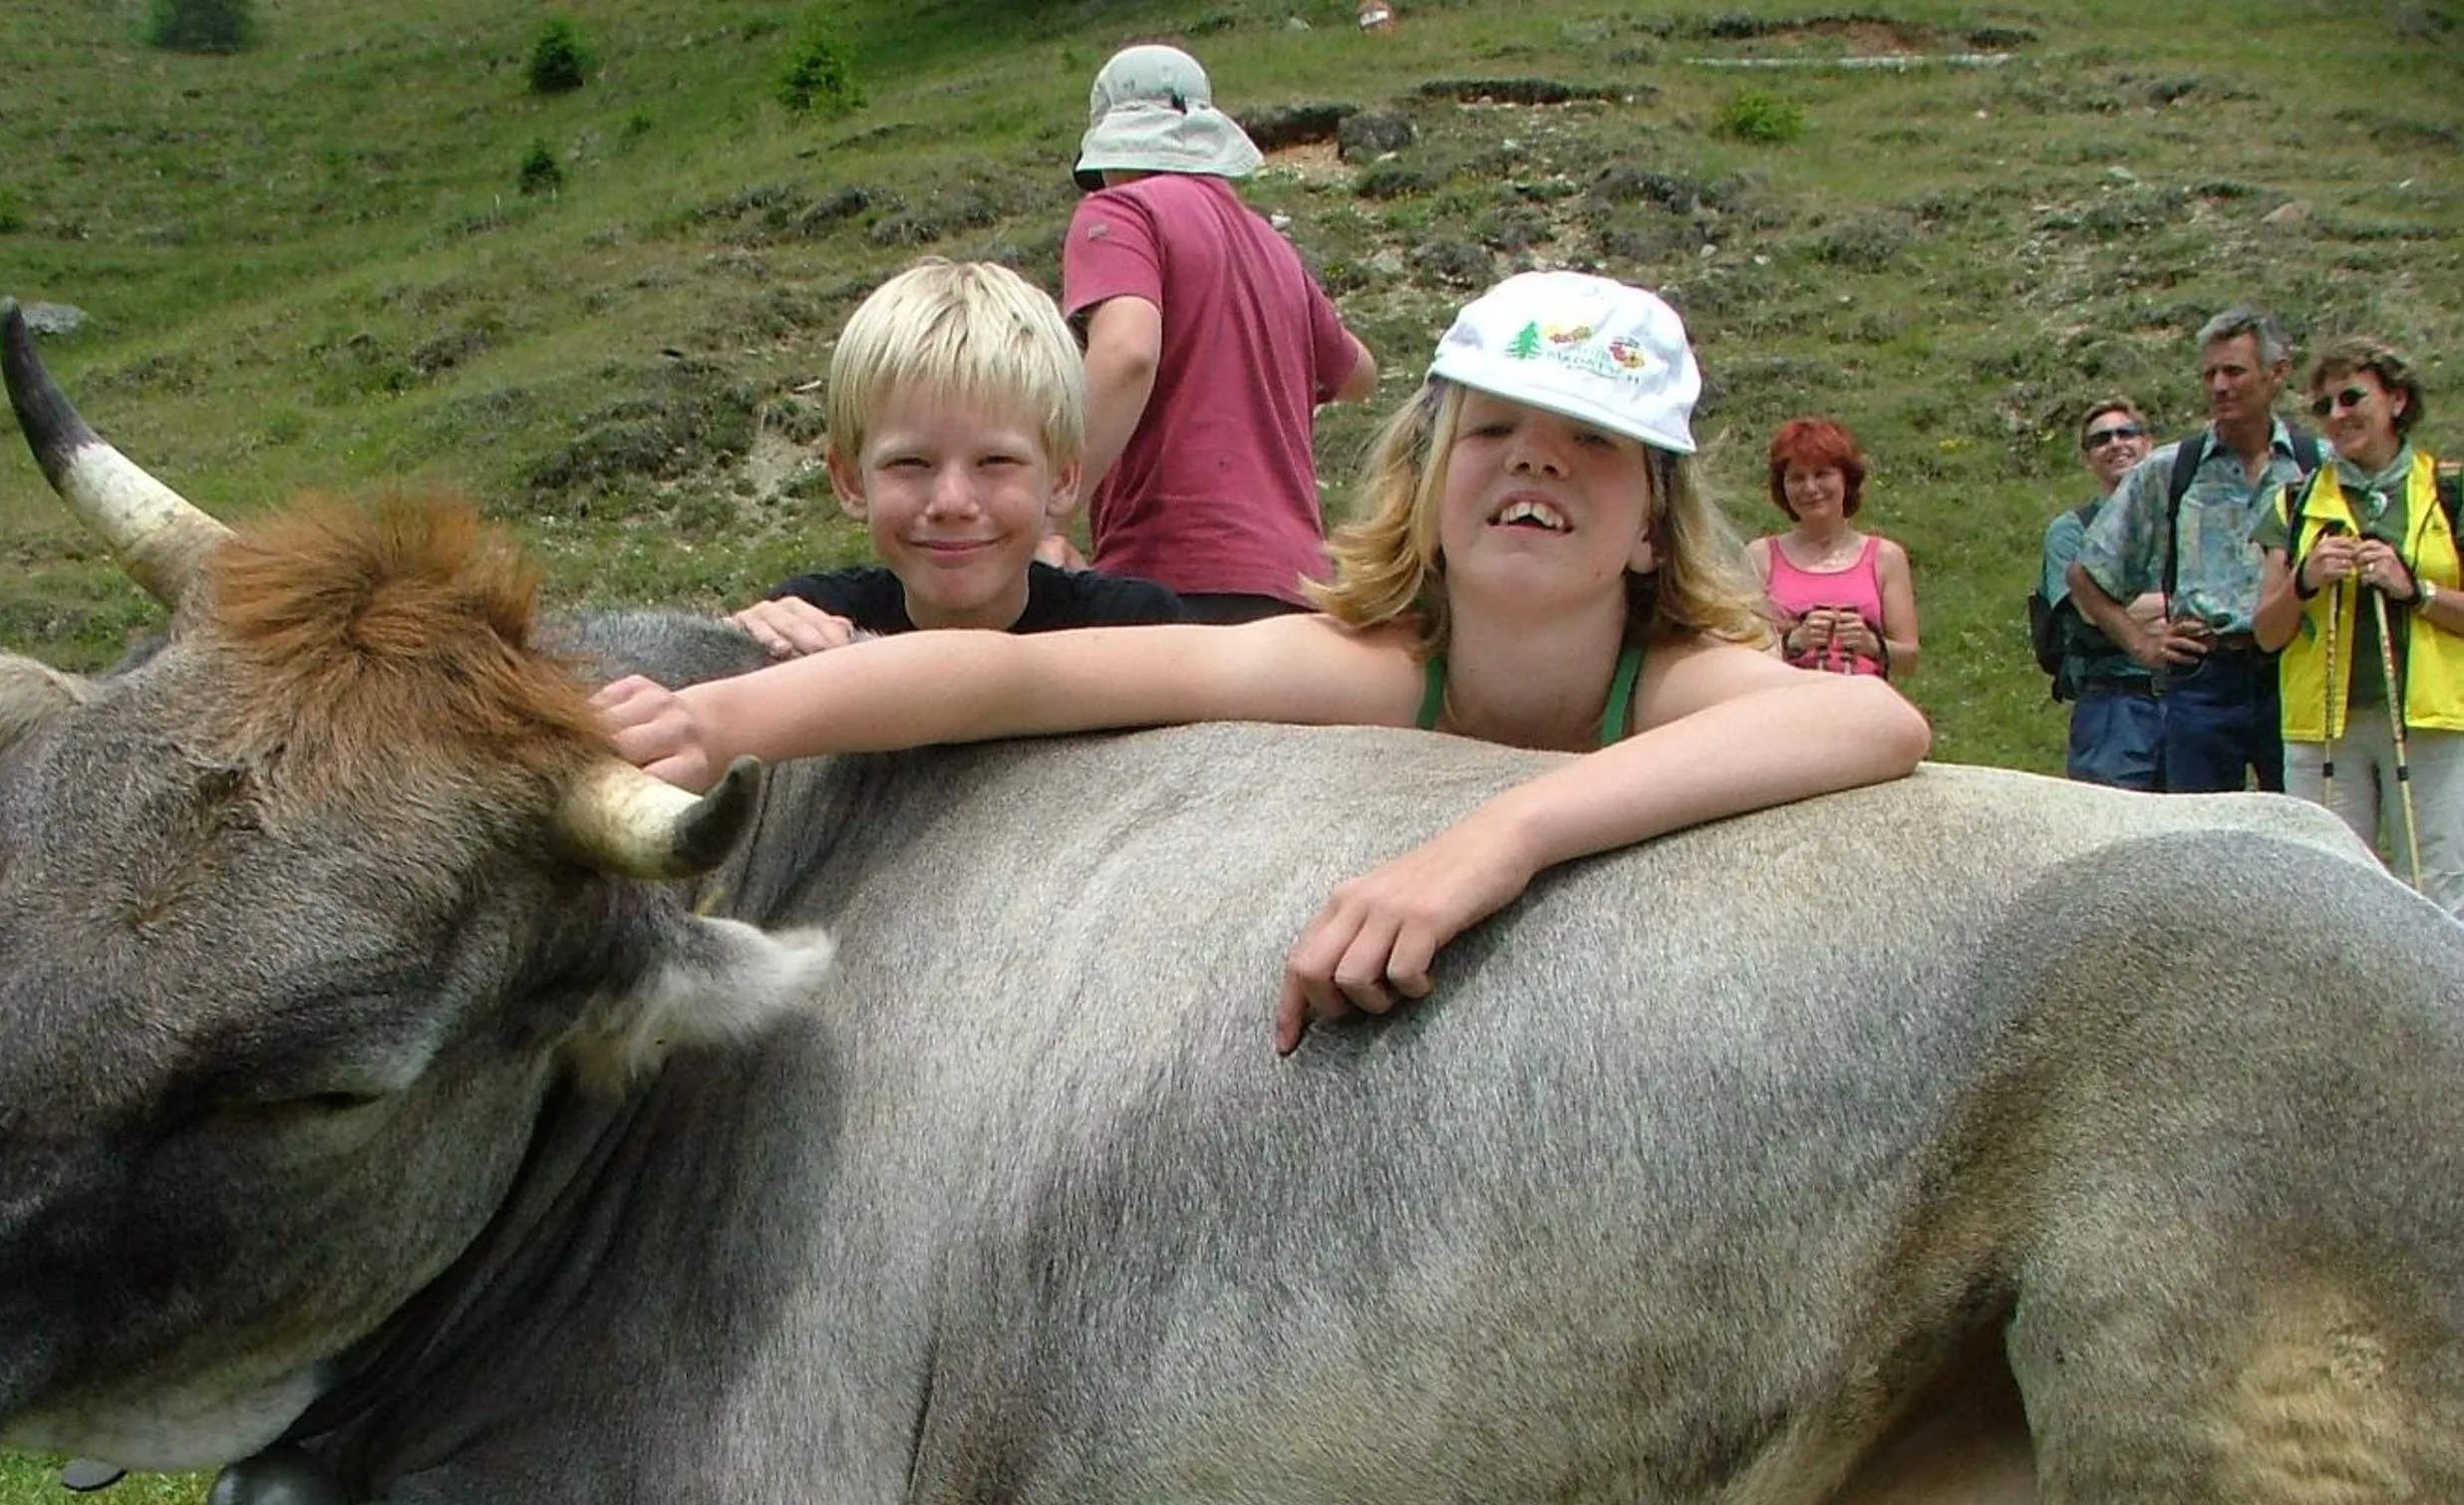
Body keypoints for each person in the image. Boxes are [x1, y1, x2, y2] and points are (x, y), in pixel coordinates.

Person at [591, 272, 1932, 1051]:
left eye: (1589, 444)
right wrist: (724, 717)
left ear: (1652, 523)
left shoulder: (1674, 675)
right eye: (1495, 431)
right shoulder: (1372, 669)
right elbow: (1016, 676)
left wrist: (1499, 836)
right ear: (1427, 483)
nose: (1535, 459)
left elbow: (1869, 724)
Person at [1056, 43, 1382, 621]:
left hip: (1169, 568)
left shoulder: (1125, 213)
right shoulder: (1272, 246)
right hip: (1295, 588)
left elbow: (1128, 352)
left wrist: (1049, 508)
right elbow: (1358, 374)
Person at [724, 259, 1188, 660]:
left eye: (995, 461)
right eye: (911, 463)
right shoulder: (813, 624)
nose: (952, 502)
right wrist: (739, 640)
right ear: (849, 480)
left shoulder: (1137, 627)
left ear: (1064, 477)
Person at [2069, 305, 2322, 793]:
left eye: (2234, 371)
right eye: (2209, 374)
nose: (2220, 386)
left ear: (2276, 374)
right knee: (2200, 837)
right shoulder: (2170, 470)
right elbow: (2087, 575)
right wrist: (2143, 645)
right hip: (2203, 676)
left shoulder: (2316, 466)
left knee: (2306, 827)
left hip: (2298, 672)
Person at [2251, 338, 2464, 912]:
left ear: (2396, 400)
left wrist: (2415, 589)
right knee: (2328, 894)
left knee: (2443, 888)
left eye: (2351, 398)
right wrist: (2303, 581)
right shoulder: (2294, 503)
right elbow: (2267, 632)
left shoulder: (2449, 492)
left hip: (2434, 724)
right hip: (2323, 729)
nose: (2337, 416)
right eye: (2325, 407)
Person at [2036, 398, 2163, 787]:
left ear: (2149, 444)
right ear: (2087, 457)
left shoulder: (2180, 521)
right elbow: (2089, 610)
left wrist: (2121, 609)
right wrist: (2178, 610)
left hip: (2189, 699)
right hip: (2114, 707)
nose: (2116, 443)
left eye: (2127, 433)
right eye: (2101, 438)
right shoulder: (2071, 532)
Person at [1745, 418, 1919, 683]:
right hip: (1786, 705)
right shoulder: (1760, 557)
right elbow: (1741, 653)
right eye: (1797, 478)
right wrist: (1794, 641)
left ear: (1846, 480)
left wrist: (1871, 644)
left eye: (1822, 474)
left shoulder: (1885, 557)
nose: (1810, 488)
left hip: (1864, 708)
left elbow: (1909, 659)